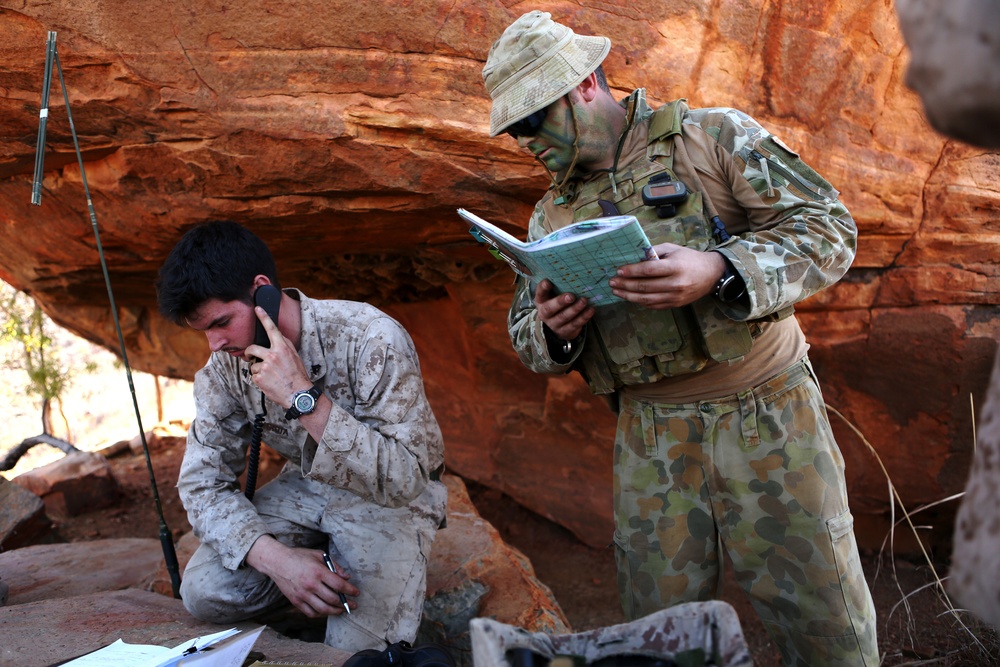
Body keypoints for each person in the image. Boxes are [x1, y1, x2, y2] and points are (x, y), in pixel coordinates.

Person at [480, 11, 878, 667]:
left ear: (583, 85)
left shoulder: (711, 138)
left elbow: (829, 228)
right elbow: (527, 335)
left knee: (824, 618)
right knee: (659, 637)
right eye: (513, 128)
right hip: (650, 437)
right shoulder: (551, 213)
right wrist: (553, 329)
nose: (525, 140)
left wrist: (721, 269)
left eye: (531, 118)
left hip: (768, 416)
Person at [155, 220, 447, 652]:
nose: (214, 344)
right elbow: (202, 484)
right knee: (203, 591)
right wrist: (278, 561)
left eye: (221, 322)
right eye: (204, 331)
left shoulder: (369, 336)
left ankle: (344, 582)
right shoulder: (225, 368)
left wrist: (301, 396)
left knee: (354, 657)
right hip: (307, 487)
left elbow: (406, 478)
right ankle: (312, 575)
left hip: (387, 498)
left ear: (262, 291)